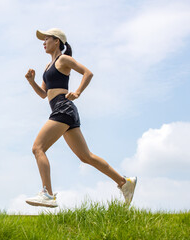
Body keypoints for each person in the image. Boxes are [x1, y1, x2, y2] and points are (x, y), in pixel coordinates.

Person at [24, 28, 137, 208]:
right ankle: (124, 182)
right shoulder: (47, 67)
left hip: (63, 107)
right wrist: (32, 82)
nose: (43, 43)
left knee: (38, 148)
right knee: (86, 156)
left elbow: (87, 73)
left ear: (57, 41)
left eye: (47, 39)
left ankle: (47, 194)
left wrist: (77, 92)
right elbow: (43, 94)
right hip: (64, 111)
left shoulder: (63, 59)